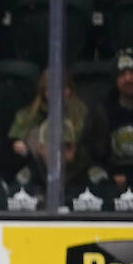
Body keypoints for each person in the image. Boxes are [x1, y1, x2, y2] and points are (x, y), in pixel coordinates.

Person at [8, 68, 107, 178]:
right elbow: (15, 148)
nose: (58, 93)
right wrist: (23, 150)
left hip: (78, 173)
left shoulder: (86, 114)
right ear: (44, 91)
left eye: (63, 88)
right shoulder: (27, 116)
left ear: (70, 90)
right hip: (40, 175)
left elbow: (95, 149)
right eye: (52, 88)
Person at [102, 48, 133, 191]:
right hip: (115, 179)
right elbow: (96, 156)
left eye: (132, 73)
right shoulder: (104, 112)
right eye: (122, 74)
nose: (128, 79)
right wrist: (110, 176)